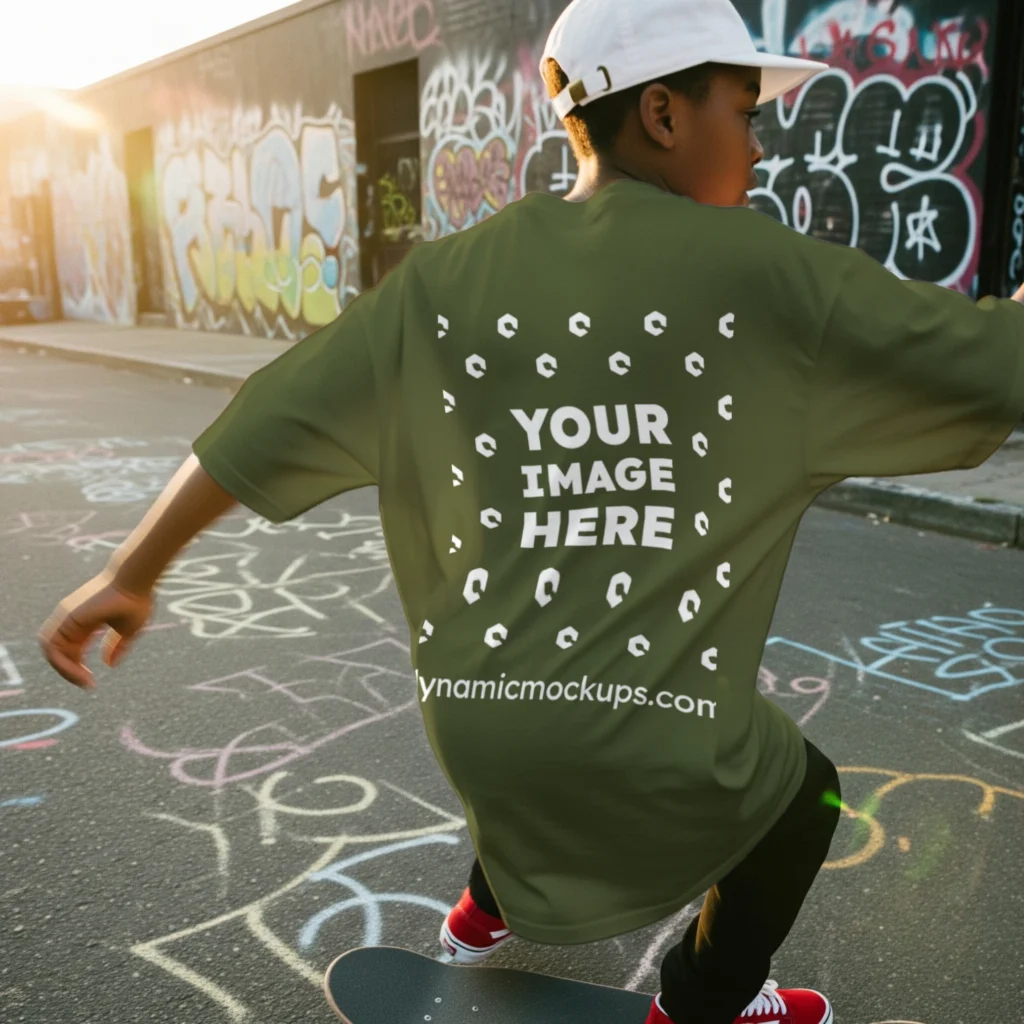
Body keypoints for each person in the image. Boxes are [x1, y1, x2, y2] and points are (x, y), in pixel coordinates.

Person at [38, 0, 1024, 1021]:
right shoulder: (765, 271)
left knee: (544, 717)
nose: (761, 145)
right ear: (663, 114)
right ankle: (699, 1005)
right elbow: (994, 359)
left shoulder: (445, 279)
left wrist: (130, 573)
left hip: (477, 720)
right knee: (802, 796)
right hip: (650, 733)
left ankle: (479, 912)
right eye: (744, 111)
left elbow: (260, 422)